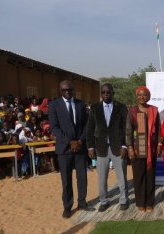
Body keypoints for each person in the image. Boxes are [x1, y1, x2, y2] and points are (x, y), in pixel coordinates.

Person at [48, 80, 91, 219]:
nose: (67, 92)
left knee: (82, 178)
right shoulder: (54, 105)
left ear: (73, 89)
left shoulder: (80, 104)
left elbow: (87, 125)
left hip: (80, 147)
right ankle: (67, 207)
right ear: (60, 91)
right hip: (64, 148)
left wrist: (79, 141)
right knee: (66, 180)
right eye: (64, 90)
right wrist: (70, 141)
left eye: (69, 89)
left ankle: (82, 202)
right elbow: (54, 127)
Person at [86, 83, 129, 212]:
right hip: (101, 147)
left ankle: (124, 200)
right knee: (102, 177)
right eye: (104, 92)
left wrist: (124, 145)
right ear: (101, 94)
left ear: (113, 93)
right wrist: (90, 147)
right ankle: (104, 201)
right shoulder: (94, 108)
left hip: (118, 147)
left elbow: (126, 128)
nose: (106, 94)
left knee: (121, 176)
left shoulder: (121, 107)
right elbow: (89, 129)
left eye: (108, 92)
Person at [126, 86, 162, 212]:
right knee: (139, 177)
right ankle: (140, 202)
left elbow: (158, 130)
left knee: (150, 177)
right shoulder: (132, 111)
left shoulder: (154, 111)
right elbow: (128, 131)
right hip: (137, 150)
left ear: (149, 96)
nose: (142, 97)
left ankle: (150, 202)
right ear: (137, 96)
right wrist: (130, 148)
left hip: (151, 150)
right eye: (140, 95)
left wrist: (159, 145)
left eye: (145, 95)